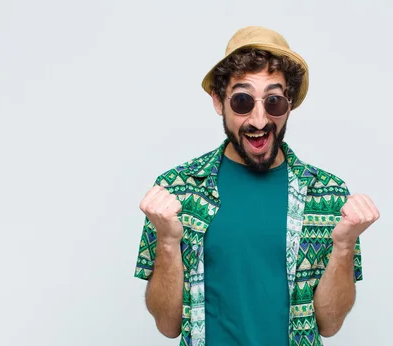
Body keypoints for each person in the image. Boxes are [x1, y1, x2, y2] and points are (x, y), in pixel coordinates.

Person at [134, 26, 380, 346]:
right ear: (218, 101)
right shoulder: (177, 191)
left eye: (274, 101)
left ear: (289, 103)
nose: (260, 120)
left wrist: (345, 245)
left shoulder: (327, 196)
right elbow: (168, 325)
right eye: (242, 101)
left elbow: (329, 324)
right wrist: (168, 241)